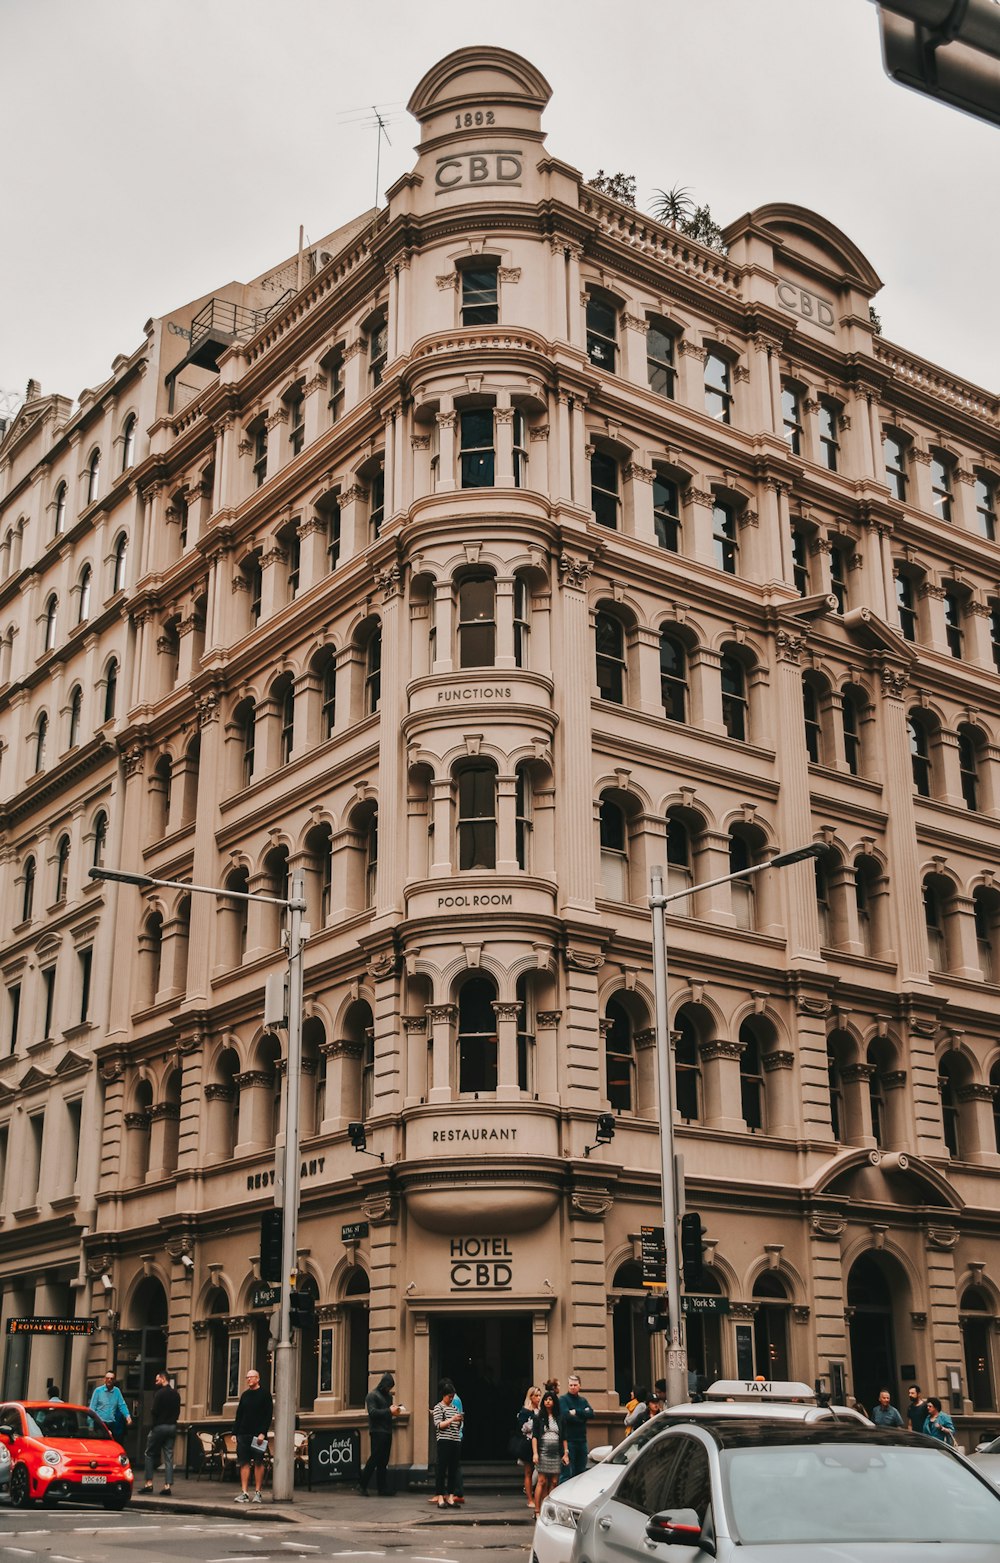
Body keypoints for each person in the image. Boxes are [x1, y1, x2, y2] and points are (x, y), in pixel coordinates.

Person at [233, 1367, 272, 1504]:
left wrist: (262, 1433)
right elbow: (239, 1414)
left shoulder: (265, 1394)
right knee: (243, 1462)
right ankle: (244, 1493)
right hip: (243, 1434)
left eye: (251, 1377)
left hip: (258, 1436)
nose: (249, 1379)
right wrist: (235, 1432)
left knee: (258, 1462)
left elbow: (268, 1416)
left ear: (258, 1378)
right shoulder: (245, 1395)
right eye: (247, 1377)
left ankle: (258, 1492)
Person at [140, 1370, 181, 1495]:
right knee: (168, 1456)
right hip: (172, 1426)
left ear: (163, 1379)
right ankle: (167, 1485)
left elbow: (154, 1411)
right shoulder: (176, 1394)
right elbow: (178, 1411)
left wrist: (153, 1426)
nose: (155, 1382)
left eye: (157, 1380)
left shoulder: (159, 1394)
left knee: (149, 1453)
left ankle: (149, 1483)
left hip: (159, 1426)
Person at [361, 1371, 400, 1496]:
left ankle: (382, 1488)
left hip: (387, 1430)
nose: (389, 1389)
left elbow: (385, 1412)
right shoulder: (372, 1396)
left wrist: (394, 1411)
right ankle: (362, 1484)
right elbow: (372, 1413)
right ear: (383, 1384)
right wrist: (389, 1411)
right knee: (374, 1459)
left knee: (384, 1461)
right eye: (388, 1386)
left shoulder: (388, 1397)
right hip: (377, 1431)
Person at [531, 1387, 567, 1517]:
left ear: (554, 1402)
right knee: (541, 1481)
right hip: (543, 1451)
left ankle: (549, 1510)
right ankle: (537, 1510)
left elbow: (564, 1437)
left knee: (554, 1482)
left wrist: (565, 1453)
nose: (547, 1401)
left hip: (556, 1452)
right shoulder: (538, 1417)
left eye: (550, 1399)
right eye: (545, 1399)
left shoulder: (560, 1418)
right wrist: (535, 1453)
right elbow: (535, 1436)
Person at [432, 1379, 463, 1508]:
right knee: (441, 1469)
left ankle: (450, 1496)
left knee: (453, 1469)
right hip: (444, 1441)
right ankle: (440, 1496)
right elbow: (439, 1425)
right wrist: (452, 1419)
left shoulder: (455, 1408)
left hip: (455, 1440)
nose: (451, 1399)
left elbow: (456, 1426)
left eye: (452, 1397)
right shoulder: (438, 1407)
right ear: (444, 1395)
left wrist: (459, 1421)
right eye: (450, 1397)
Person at [559, 1373, 594, 1480]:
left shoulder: (583, 1400)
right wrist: (582, 1416)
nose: (573, 1387)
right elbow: (565, 1416)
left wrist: (576, 1411)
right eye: (570, 1385)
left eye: (575, 1385)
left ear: (579, 1386)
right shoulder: (563, 1399)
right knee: (567, 1473)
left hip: (582, 1441)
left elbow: (592, 1414)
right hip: (569, 1441)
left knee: (580, 1473)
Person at [89, 1371, 131, 1443]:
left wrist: (127, 1416)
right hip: (100, 1423)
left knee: (110, 1444)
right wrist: (90, 1425)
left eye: (111, 1379)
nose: (109, 1380)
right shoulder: (98, 1391)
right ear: (104, 1379)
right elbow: (92, 1408)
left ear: (114, 1380)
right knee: (100, 1444)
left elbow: (122, 1405)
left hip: (111, 1423)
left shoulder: (117, 1391)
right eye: (107, 1378)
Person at [517, 1387, 541, 1509]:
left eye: (539, 1395)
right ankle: (530, 1499)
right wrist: (535, 1422)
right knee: (528, 1471)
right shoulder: (525, 1411)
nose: (538, 1398)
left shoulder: (541, 1411)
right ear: (530, 1397)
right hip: (528, 1443)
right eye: (536, 1396)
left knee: (539, 1471)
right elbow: (523, 1428)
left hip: (539, 1444)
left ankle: (537, 1495)